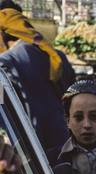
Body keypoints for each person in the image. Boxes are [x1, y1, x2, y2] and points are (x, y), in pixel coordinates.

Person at [0, 8, 75, 150]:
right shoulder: (57, 56)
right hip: (68, 142)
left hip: (37, 150)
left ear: (3, 35)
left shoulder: (6, 63)